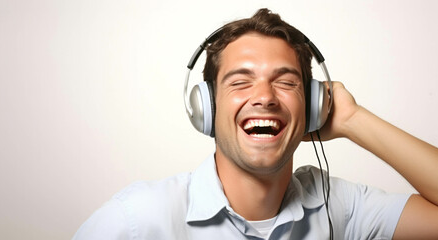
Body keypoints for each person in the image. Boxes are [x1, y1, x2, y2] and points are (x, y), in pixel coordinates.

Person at [73, 8, 438, 239]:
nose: (265, 96)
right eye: (240, 81)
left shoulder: (337, 207)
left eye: (286, 81)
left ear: (312, 107)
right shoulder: (137, 220)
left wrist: (351, 119)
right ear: (207, 108)